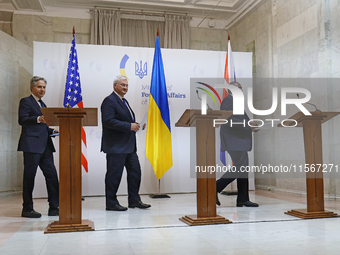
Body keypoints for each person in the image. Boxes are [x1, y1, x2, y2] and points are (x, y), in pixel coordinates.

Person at [101, 75, 150, 211]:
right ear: (115, 85)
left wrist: (137, 125)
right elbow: (108, 121)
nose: (125, 88)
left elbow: (124, 121)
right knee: (114, 175)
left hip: (129, 146)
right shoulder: (109, 101)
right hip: (116, 146)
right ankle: (111, 203)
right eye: (122, 85)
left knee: (135, 172)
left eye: (127, 85)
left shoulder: (124, 101)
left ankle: (134, 200)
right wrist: (129, 126)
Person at [18, 76, 59, 218]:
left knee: (52, 176)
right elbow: (22, 120)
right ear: (32, 87)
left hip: (46, 146)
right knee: (29, 177)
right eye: (39, 87)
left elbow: (43, 127)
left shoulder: (43, 104)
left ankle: (54, 207)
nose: (42, 90)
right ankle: (27, 209)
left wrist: (53, 131)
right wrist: (37, 119)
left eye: (44, 87)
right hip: (31, 145)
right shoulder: (26, 101)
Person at [216, 81, 259, 207]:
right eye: (238, 88)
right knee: (240, 168)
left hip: (238, 141)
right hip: (234, 140)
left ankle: (243, 199)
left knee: (243, 169)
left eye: (241, 88)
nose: (241, 90)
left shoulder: (235, 101)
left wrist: (251, 126)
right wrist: (248, 126)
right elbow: (230, 120)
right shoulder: (228, 100)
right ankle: (215, 187)